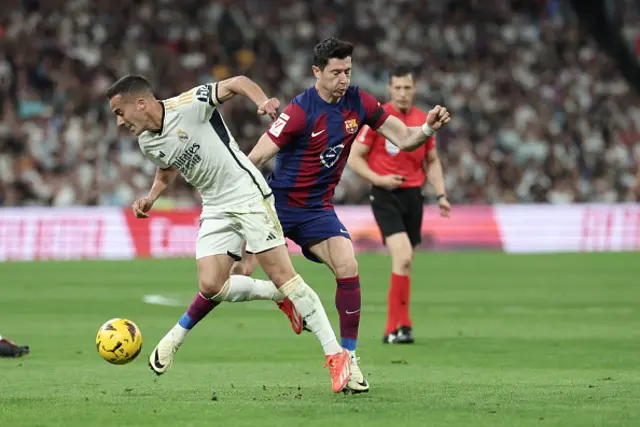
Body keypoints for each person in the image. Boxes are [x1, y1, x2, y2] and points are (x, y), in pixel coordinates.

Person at [230, 37, 451, 393]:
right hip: (279, 206)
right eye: (335, 72)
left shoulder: (359, 101)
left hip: (317, 210)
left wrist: (428, 128)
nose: (343, 79)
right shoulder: (299, 111)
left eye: (347, 71)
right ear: (317, 72)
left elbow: (406, 138)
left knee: (348, 265)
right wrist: (242, 207)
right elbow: (254, 159)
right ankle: (280, 297)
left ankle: (347, 358)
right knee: (237, 274)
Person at [106, 74, 351, 393]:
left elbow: (236, 82)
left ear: (140, 103)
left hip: (246, 193)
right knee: (211, 284)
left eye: (119, 113)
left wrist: (261, 100)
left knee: (284, 275)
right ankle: (280, 296)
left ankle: (336, 355)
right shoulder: (146, 141)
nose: (119, 122)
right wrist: (152, 196)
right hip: (214, 204)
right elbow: (167, 167)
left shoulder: (188, 104)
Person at [348, 65, 451, 345]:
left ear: (414, 89)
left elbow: (431, 160)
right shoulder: (380, 118)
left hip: (413, 196)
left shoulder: (423, 119)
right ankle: (399, 326)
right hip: (385, 196)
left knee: (405, 262)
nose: (403, 93)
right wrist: (379, 179)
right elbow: (355, 157)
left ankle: (397, 328)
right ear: (390, 89)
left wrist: (440, 194)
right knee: (403, 255)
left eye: (408, 87)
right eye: (398, 88)